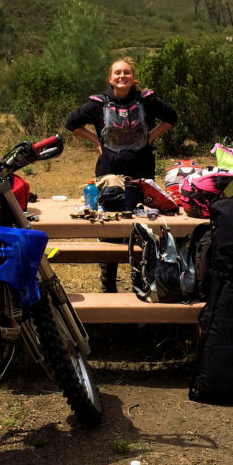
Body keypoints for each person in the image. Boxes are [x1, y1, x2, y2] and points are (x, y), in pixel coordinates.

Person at [65, 59, 178, 292]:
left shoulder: (146, 101)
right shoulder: (99, 104)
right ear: (110, 78)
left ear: (133, 77)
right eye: (117, 73)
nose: (122, 76)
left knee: (141, 227)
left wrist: (151, 136)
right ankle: (109, 282)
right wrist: (97, 140)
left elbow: (172, 117)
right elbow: (72, 123)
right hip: (109, 175)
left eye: (126, 72)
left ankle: (141, 279)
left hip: (142, 174)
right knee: (110, 226)